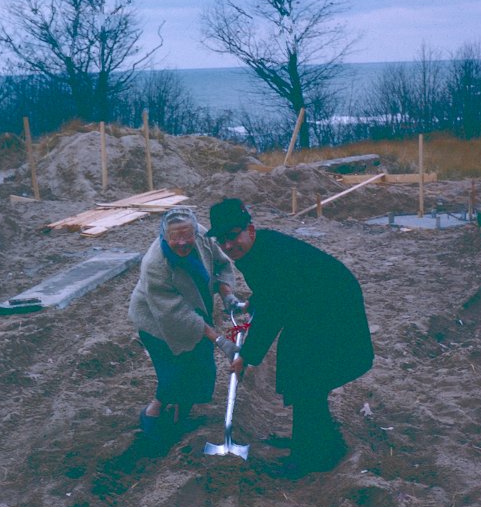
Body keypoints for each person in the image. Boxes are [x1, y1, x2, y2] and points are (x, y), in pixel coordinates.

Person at [207, 198, 374, 477]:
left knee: (307, 376)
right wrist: (255, 302)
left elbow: (275, 310)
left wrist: (247, 356)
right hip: (313, 307)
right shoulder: (257, 250)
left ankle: (311, 457)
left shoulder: (267, 253)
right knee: (301, 371)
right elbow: (280, 287)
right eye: (221, 240)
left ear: (250, 229)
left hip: (333, 309)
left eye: (232, 236)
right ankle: (313, 441)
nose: (227, 246)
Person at [128, 207, 243, 440]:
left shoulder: (201, 236)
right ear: (164, 236)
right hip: (157, 320)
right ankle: (152, 415)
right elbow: (177, 315)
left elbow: (221, 265)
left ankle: (180, 420)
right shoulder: (155, 265)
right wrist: (220, 341)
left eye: (187, 236)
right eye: (175, 238)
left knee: (199, 367)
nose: (183, 242)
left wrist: (227, 294)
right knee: (174, 375)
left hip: (195, 308)